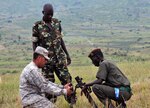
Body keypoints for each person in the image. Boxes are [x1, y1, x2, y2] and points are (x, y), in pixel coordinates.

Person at [32, 3, 75, 104]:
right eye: (48, 14)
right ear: (43, 13)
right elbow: (34, 43)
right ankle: (50, 105)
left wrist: (67, 55)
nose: (50, 17)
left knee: (67, 81)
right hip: (46, 62)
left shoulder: (56, 23)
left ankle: (72, 103)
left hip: (60, 60)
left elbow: (61, 40)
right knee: (49, 85)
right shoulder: (37, 26)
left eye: (51, 14)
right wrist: (36, 59)